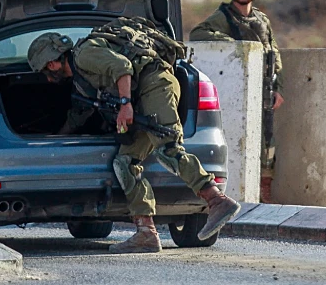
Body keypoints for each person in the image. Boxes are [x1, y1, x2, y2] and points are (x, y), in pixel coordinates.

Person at [27, 26, 241, 253]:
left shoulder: (85, 54)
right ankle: (146, 233)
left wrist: (125, 105)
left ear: (52, 64)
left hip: (157, 85)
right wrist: (56, 138)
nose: (48, 79)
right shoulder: (81, 80)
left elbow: (123, 67)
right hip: (142, 97)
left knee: (168, 149)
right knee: (125, 162)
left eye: (45, 72)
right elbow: (79, 114)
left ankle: (217, 200)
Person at [189, 0, 284, 203]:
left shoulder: (262, 19)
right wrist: (234, 44)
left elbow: (274, 53)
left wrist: (278, 88)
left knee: (268, 144)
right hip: (242, 88)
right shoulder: (224, 17)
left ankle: (264, 193)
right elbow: (198, 33)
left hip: (265, 87)